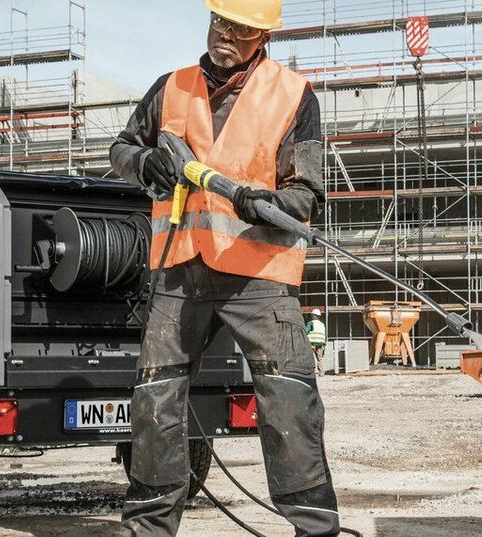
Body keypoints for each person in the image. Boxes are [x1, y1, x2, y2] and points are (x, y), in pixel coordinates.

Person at [107, 0, 338, 535]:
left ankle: (314, 527)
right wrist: (143, 163)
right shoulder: (171, 87)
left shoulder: (293, 94)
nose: (225, 34)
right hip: (179, 271)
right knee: (155, 401)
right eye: (219, 21)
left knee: (289, 402)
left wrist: (268, 201)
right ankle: (149, 526)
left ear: (263, 36)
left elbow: (306, 195)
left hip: (258, 275)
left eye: (239, 27)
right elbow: (121, 148)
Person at [307, 308, 327, 374]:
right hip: (321, 344)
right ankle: (321, 372)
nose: (311, 316)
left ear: (314, 315)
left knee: (310, 358)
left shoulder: (311, 323)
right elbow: (325, 335)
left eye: (312, 315)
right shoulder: (322, 324)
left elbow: (306, 331)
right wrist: (324, 344)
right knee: (320, 358)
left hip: (312, 343)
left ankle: (310, 372)